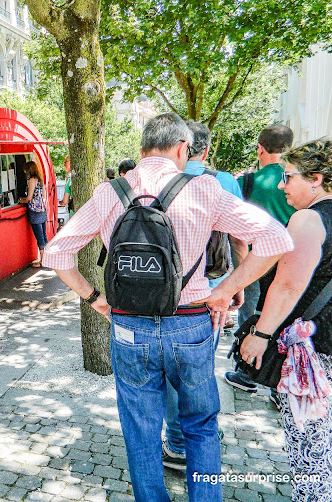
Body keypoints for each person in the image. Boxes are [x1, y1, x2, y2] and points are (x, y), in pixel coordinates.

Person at [42, 112, 293, 501]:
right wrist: (226, 288)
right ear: (182, 149)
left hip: (128, 328)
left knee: (141, 430)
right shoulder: (204, 189)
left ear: (141, 151)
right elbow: (275, 239)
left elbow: (57, 253)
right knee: (200, 425)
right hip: (190, 322)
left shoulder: (110, 192)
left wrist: (94, 299)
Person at [240, 138, 332, 500]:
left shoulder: (309, 219)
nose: (281, 185)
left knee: (310, 451)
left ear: (316, 178)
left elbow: (289, 284)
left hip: (316, 353)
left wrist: (260, 334)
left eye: (288, 177)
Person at [162, 119, 248, 471]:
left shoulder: (160, 179)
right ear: (206, 149)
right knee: (198, 368)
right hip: (210, 292)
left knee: (170, 373)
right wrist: (236, 286)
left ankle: (177, 440)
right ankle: (197, 436)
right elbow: (240, 238)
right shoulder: (222, 181)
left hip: (163, 292)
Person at [225, 124, 296, 394]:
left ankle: (249, 374)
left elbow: (236, 231)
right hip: (291, 259)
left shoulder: (248, 182)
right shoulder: (295, 180)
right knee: (287, 316)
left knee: (252, 315)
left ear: (260, 148)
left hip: (257, 259)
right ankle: (284, 383)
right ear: (290, 148)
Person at [19, 160, 48, 267]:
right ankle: (47, 259)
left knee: (39, 237)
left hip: (34, 211)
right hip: (42, 209)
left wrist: (22, 200)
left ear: (29, 170)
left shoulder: (32, 180)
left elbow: (29, 198)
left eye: (26, 170)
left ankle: (43, 261)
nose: (25, 172)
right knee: (44, 235)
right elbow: (44, 196)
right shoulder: (40, 180)